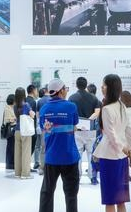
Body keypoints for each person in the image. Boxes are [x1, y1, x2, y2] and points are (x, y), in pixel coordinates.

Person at [39, 78, 80, 212]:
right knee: (71, 194)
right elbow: (74, 124)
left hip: (51, 157)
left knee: (47, 192)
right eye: (65, 89)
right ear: (61, 91)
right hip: (69, 156)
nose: (66, 91)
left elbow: (44, 128)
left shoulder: (44, 109)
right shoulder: (71, 107)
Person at [94, 74, 131, 212]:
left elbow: (111, 135)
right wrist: (129, 150)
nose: (102, 87)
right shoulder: (122, 106)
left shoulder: (106, 109)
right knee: (121, 200)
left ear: (110, 88)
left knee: (110, 200)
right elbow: (128, 130)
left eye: (104, 85)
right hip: (122, 157)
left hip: (109, 156)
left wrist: (123, 148)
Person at [69, 77, 102, 184]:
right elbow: (97, 112)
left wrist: (79, 122)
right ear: (86, 85)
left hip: (77, 129)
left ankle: (77, 176)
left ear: (76, 85)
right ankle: (93, 177)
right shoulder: (93, 98)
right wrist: (88, 120)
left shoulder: (72, 98)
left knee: (78, 153)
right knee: (91, 153)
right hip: (90, 129)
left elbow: (70, 113)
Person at [14, 87, 36, 179]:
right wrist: (32, 113)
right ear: (24, 95)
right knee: (26, 153)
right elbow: (32, 115)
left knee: (17, 153)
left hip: (17, 130)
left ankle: (17, 173)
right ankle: (25, 174)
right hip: (25, 130)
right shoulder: (26, 105)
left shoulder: (15, 106)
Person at [37, 86, 52, 176]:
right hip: (53, 128)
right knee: (52, 147)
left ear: (44, 90)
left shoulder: (40, 101)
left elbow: (38, 115)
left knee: (43, 148)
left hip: (44, 128)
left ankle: (42, 168)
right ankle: (51, 168)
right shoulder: (52, 100)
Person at [27, 84, 41, 171]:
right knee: (30, 149)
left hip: (25, 129)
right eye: (36, 90)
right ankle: (27, 167)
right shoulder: (33, 102)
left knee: (26, 149)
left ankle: (26, 166)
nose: (37, 92)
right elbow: (33, 116)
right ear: (33, 90)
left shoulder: (25, 100)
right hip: (31, 129)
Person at [3, 93, 16, 172]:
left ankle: (11, 164)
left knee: (12, 147)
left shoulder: (12, 108)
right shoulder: (7, 108)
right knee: (10, 148)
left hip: (13, 130)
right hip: (10, 130)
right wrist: (15, 118)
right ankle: (9, 164)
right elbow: (7, 120)